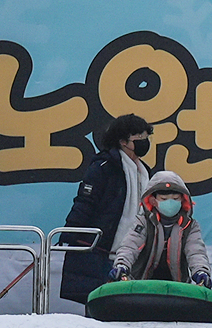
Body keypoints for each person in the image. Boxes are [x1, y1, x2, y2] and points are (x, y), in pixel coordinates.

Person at [60, 114, 154, 305]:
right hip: (104, 251)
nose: (144, 143)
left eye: (146, 138)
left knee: (131, 308)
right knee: (100, 305)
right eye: (139, 139)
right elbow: (86, 202)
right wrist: (71, 233)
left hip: (134, 253)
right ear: (122, 141)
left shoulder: (145, 172)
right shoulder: (104, 167)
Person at [110, 171, 212, 286]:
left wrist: (201, 271)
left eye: (175, 198)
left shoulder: (190, 226)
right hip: (141, 285)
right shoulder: (143, 222)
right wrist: (122, 264)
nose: (170, 203)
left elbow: (195, 252)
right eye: (164, 199)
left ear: (183, 200)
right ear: (153, 201)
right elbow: (130, 245)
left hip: (178, 287)